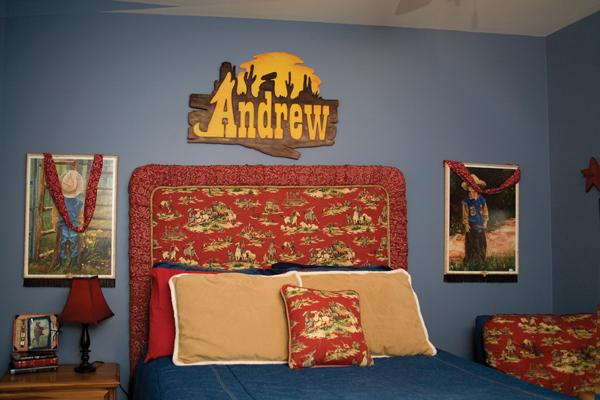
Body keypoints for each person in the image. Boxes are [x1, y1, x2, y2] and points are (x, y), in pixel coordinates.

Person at [52, 169, 85, 269]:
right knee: (71, 245)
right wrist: (81, 226)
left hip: (66, 227)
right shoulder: (79, 203)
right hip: (70, 227)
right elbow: (81, 217)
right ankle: (69, 262)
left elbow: (55, 214)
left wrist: (55, 224)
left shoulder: (60, 202)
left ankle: (66, 262)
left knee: (64, 244)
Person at [462, 174, 489, 264]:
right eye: (470, 186)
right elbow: (465, 214)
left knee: (481, 241)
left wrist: (485, 222)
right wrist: (466, 224)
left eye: (474, 185)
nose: (472, 188)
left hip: (480, 224)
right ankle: (472, 260)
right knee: (472, 242)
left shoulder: (482, 200)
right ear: (468, 188)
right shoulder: (466, 202)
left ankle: (482, 259)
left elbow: (485, 211)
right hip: (471, 224)